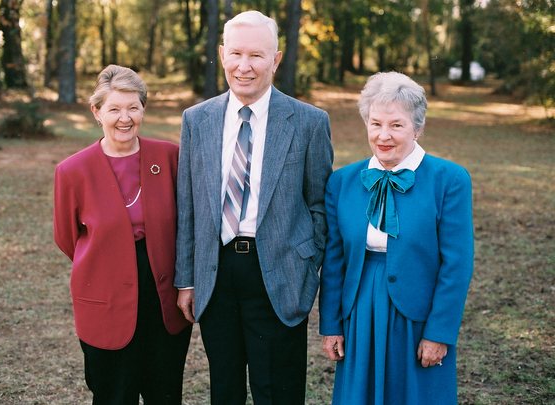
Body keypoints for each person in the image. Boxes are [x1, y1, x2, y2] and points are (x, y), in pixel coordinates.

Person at [174, 10, 334, 405]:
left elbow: (319, 204)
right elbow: (188, 206)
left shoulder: (309, 122)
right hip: (216, 273)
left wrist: (304, 265)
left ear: (276, 60)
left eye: (257, 56)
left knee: (277, 391)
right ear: (223, 54)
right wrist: (186, 279)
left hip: (278, 274)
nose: (244, 67)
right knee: (224, 389)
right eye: (236, 54)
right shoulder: (197, 120)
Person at [319, 71, 474, 405]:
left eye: (396, 125)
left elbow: (457, 264)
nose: (383, 135)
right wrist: (331, 323)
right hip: (360, 308)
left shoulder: (449, 180)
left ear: (418, 128)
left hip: (418, 312)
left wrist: (439, 333)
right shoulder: (342, 182)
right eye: (375, 124)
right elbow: (334, 261)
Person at [53, 64, 192, 405]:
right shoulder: (72, 171)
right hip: (105, 294)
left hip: (162, 294)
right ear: (97, 112)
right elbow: (66, 237)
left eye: (133, 107)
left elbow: (187, 221)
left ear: (144, 108)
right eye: (114, 108)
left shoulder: (170, 157)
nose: (124, 117)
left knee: (164, 392)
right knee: (114, 394)